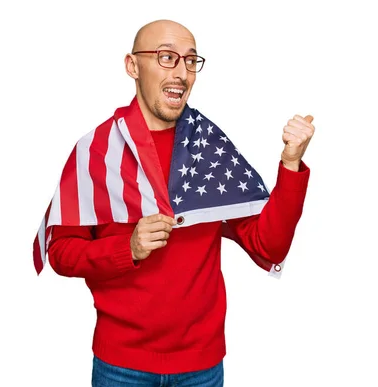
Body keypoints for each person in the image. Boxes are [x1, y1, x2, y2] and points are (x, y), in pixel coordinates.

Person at [44, 19, 315, 386]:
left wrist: (290, 163)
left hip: (201, 367)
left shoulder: (209, 150)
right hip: (120, 366)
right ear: (132, 66)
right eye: (166, 57)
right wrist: (129, 248)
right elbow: (61, 253)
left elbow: (270, 244)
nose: (182, 73)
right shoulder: (95, 151)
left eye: (190, 60)